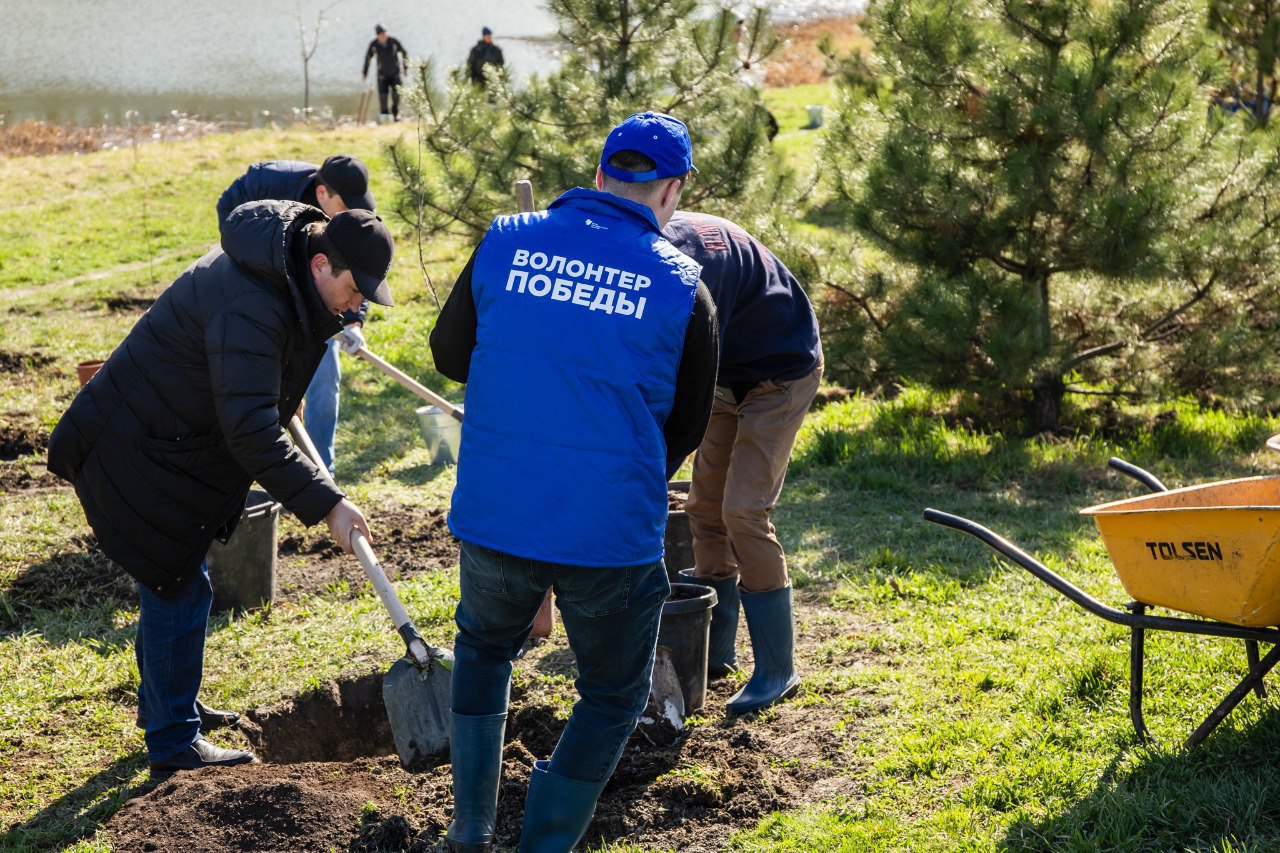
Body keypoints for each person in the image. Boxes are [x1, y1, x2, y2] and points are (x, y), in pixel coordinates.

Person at [429, 112, 719, 852]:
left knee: (485, 649)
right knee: (613, 691)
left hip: (498, 510)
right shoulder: (686, 287)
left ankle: (468, 829)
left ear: (598, 176)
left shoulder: (505, 239)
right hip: (610, 531)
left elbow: (450, 352)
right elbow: (685, 426)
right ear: (672, 191)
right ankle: (544, 842)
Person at [47, 203, 397, 773]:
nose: (359, 306)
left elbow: (259, 380)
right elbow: (251, 435)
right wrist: (327, 504)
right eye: (356, 290)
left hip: (170, 436)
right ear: (320, 263)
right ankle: (171, 741)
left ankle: (169, 704)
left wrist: (285, 395)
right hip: (139, 445)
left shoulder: (284, 274)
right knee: (175, 582)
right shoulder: (253, 302)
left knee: (183, 580)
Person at [661, 210, 823, 717]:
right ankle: (717, 648)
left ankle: (778, 668)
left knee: (744, 513)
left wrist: (654, 462)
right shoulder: (652, 239)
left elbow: (681, 370)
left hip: (780, 374)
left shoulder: (696, 269)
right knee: (704, 508)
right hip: (728, 375)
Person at [216, 155, 377, 474]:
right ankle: (255, 461)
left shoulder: (352, 216)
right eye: (344, 206)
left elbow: (362, 268)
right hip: (262, 272)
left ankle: (320, 468)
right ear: (322, 194)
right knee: (262, 370)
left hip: (317, 281)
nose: (349, 214)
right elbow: (230, 216)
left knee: (324, 370)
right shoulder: (269, 185)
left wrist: (354, 321)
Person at [364, 24, 409, 120]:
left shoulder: (394, 42)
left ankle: (395, 113)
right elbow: (368, 58)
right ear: (377, 35)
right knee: (383, 96)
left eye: (384, 33)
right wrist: (365, 73)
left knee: (396, 94)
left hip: (395, 74)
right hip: (382, 75)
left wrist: (405, 68)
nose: (383, 35)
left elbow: (404, 53)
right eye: (380, 34)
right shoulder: (374, 44)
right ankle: (385, 118)